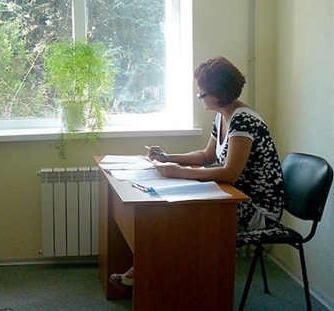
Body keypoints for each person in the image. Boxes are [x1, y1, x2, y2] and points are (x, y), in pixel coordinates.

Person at [109, 56, 285, 292]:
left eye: (202, 93)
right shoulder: (222, 116)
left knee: (184, 218)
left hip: (257, 208)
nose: (199, 97)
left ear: (217, 95)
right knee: (178, 215)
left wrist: (179, 172)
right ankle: (152, 278)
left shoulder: (244, 120)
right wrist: (168, 158)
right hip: (233, 195)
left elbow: (230, 174)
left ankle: (148, 278)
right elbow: (206, 156)